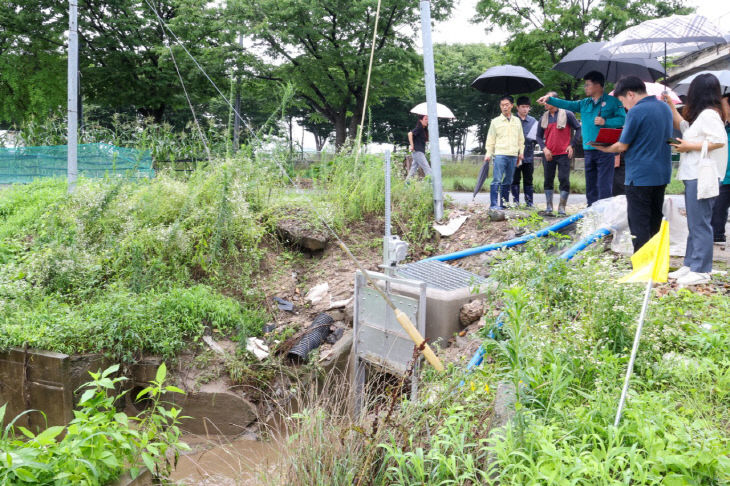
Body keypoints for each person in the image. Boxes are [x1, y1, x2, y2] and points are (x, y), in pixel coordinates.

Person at [591, 76, 673, 252]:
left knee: (638, 223)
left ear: (630, 94)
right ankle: (653, 263)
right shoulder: (665, 107)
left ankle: (641, 266)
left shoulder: (636, 111)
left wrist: (603, 148)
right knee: (654, 220)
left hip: (640, 175)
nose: (625, 107)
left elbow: (622, 144)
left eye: (622, 101)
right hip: (661, 173)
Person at [663, 73, 728, 286]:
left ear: (697, 91)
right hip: (694, 174)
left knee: (700, 223)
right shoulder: (704, 115)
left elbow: (718, 140)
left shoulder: (709, 114)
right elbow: (686, 130)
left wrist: (688, 146)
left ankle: (701, 269)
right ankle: (690, 264)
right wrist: (671, 106)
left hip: (702, 175)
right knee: (695, 222)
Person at [537, 71, 626, 206]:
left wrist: (605, 121)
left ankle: (605, 213)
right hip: (589, 149)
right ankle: (591, 210)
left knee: (604, 184)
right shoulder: (584, 103)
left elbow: (622, 119)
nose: (585, 88)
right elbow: (567, 104)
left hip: (606, 149)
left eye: (587, 85)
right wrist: (549, 99)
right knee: (590, 184)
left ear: (598, 85)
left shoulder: (613, 102)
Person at [536, 91, 581, 215]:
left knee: (564, 179)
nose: (544, 103)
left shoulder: (567, 114)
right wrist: (544, 148)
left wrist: (571, 145)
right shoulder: (543, 117)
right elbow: (538, 136)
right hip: (548, 154)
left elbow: (578, 128)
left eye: (547, 100)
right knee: (548, 179)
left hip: (563, 154)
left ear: (554, 101)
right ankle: (549, 207)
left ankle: (562, 207)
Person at [484, 95, 524, 209]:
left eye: (507, 105)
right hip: (500, 154)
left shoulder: (517, 121)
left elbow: (521, 139)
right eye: (502, 105)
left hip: (513, 155)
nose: (504, 107)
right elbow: (490, 139)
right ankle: (494, 204)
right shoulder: (495, 121)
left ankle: (504, 204)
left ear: (512, 105)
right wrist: (488, 153)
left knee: (508, 180)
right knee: (497, 179)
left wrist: (521, 152)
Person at [710, 92, 730, 246]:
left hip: (726, 175)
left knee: (719, 206)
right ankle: (717, 236)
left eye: (722, 106)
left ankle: (717, 235)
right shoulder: (723, 127)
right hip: (723, 174)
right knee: (718, 208)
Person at [510, 96, 538, 207]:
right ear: (517, 107)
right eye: (523, 107)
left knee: (528, 180)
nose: (525, 109)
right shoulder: (512, 120)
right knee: (515, 179)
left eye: (527, 107)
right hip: (514, 155)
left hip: (528, 155)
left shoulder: (533, 121)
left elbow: (537, 138)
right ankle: (515, 202)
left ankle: (529, 203)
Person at [407, 115, 432, 179]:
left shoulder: (423, 129)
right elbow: (410, 134)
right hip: (418, 152)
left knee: (413, 170)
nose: (427, 121)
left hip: (418, 152)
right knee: (427, 168)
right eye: (426, 119)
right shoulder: (419, 128)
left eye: (428, 119)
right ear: (421, 120)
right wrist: (412, 146)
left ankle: (406, 185)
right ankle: (433, 185)